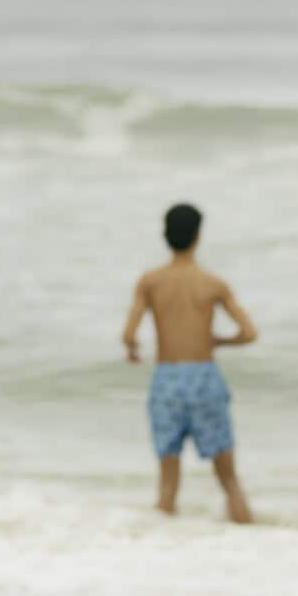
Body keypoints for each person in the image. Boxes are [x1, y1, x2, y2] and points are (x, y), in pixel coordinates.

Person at [121, 203, 257, 524]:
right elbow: (249, 333)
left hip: (167, 379)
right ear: (198, 236)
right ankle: (252, 541)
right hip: (204, 377)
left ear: (165, 236)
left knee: (167, 485)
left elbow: (129, 333)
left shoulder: (150, 282)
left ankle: (165, 551)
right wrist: (218, 341)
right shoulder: (212, 284)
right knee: (229, 481)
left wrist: (132, 350)